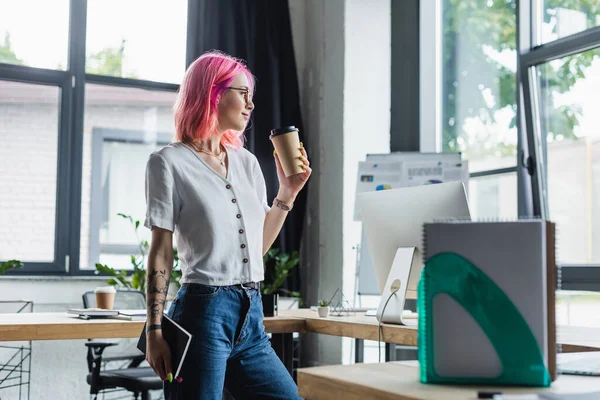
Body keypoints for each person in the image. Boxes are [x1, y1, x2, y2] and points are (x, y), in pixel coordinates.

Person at [143, 50, 311, 399]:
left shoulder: (246, 162)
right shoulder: (167, 162)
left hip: (250, 314)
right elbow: (161, 252)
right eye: (242, 93)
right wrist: (154, 330)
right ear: (212, 93)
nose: (250, 104)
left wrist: (288, 193)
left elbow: (256, 247)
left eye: (252, 95)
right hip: (203, 312)